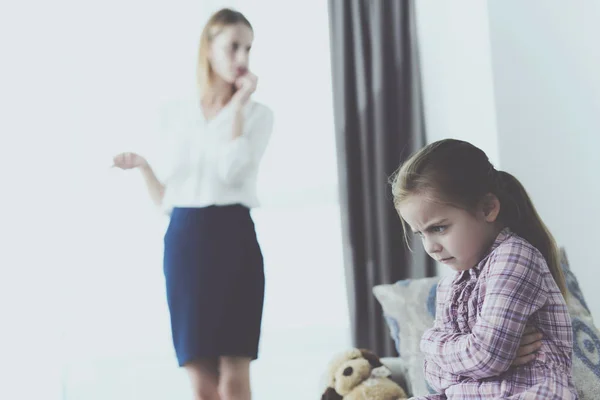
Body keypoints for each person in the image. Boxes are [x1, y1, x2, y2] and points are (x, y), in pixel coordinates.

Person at [112, 8, 273, 400]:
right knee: (200, 380)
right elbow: (168, 201)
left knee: (234, 373)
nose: (242, 58)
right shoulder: (174, 114)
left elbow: (233, 173)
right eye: (232, 46)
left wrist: (236, 106)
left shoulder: (258, 115)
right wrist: (145, 168)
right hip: (184, 240)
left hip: (234, 236)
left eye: (248, 48)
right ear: (208, 49)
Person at [390, 139, 577, 399]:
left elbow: (487, 356)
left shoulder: (514, 258)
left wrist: (429, 342)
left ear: (488, 208)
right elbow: (433, 376)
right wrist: (476, 356)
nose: (430, 246)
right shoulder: (450, 284)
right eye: (420, 234)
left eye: (439, 228)